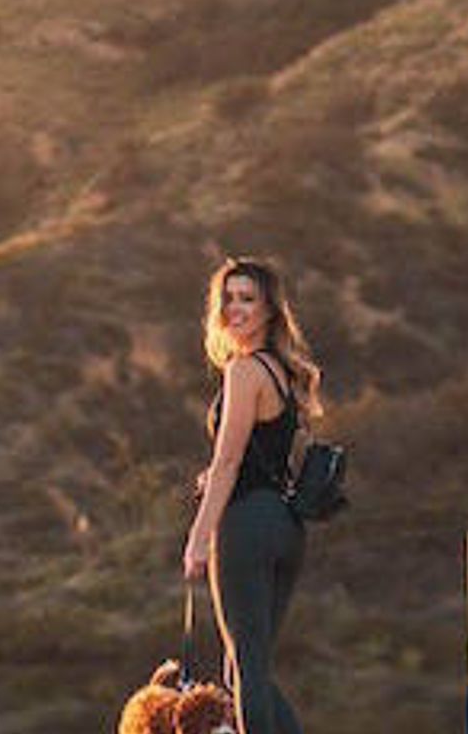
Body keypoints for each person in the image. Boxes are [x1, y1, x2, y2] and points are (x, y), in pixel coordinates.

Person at [182, 256, 323, 734]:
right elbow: (257, 454)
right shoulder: (282, 373)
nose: (235, 309)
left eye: (247, 299)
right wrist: (217, 476)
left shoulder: (243, 371)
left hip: (246, 526)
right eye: (228, 299)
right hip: (286, 528)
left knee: (244, 668)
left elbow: (229, 463)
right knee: (249, 668)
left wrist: (199, 538)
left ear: (269, 310)